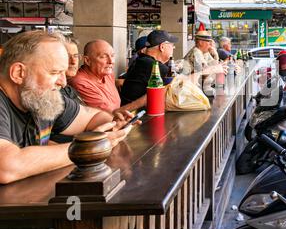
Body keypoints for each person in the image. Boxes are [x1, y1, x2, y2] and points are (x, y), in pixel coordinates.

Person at [0, 30, 134, 184]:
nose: (63, 82)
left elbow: (92, 117)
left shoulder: (39, 97)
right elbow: (6, 167)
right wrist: (90, 147)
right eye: (55, 72)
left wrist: (112, 126)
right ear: (18, 73)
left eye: (63, 72)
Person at [119, 30, 178, 109]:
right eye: (172, 45)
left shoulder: (142, 61)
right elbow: (180, 84)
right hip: (136, 117)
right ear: (162, 47)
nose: (174, 48)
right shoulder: (152, 65)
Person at [69, 39, 121, 113]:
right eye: (103, 56)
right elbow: (111, 115)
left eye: (112, 56)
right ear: (87, 61)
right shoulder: (80, 83)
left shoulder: (108, 75)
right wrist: (141, 101)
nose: (111, 61)